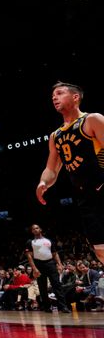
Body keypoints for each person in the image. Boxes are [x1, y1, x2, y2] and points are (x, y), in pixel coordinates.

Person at [36, 82, 104, 263]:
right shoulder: (55, 135)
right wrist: (43, 182)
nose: (54, 97)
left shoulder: (92, 119)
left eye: (59, 93)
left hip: (102, 187)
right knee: (100, 251)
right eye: (52, 96)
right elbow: (51, 169)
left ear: (76, 97)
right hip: (86, 198)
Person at [25, 224, 70, 313]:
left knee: (57, 285)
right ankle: (46, 307)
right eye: (33, 229)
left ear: (40, 229)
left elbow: (55, 253)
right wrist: (34, 268)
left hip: (50, 263)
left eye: (37, 228)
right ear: (32, 231)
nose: (35, 230)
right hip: (38, 264)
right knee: (42, 287)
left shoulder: (48, 240)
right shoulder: (30, 242)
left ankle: (63, 307)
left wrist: (59, 264)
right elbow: (29, 256)